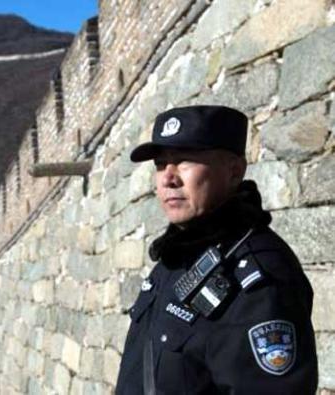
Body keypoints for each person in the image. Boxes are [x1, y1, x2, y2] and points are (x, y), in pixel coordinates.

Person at [115, 105, 318, 394]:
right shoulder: (178, 256)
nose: (168, 178)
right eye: (160, 164)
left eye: (184, 160)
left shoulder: (257, 278)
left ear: (234, 171)